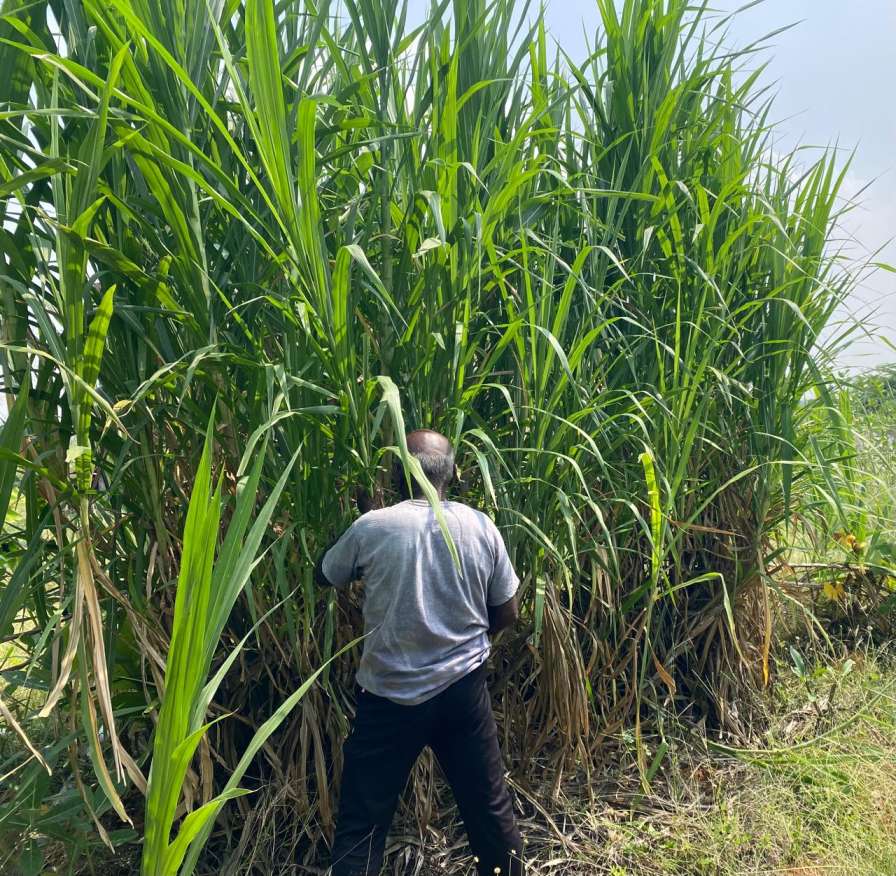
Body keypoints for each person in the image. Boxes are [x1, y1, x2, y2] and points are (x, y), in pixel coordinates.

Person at [315, 429, 525, 876]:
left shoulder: (372, 526)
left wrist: (364, 521)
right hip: (463, 695)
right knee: (488, 810)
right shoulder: (479, 525)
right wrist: (466, 640)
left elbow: (325, 573)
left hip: (388, 699)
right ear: (453, 474)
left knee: (363, 823)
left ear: (395, 473)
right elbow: (507, 611)